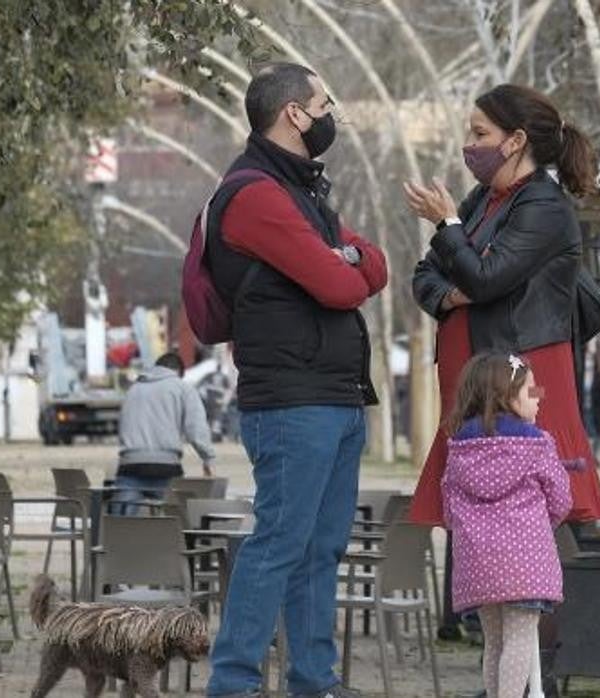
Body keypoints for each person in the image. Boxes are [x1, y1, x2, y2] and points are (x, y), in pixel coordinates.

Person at [404, 85, 600, 673]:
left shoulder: (541, 205)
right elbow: (428, 275)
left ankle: (530, 671)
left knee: (523, 530)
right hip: (475, 379)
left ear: (516, 141)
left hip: (518, 378)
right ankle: (512, 675)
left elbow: (487, 277)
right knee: (488, 530)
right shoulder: (483, 200)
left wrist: (448, 227)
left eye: (480, 134)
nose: (470, 145)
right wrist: (451, 291)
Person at [203, 62, 387, 698]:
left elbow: (376, 264)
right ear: (294, 115)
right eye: (325, 101)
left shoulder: (306, 192)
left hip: (335, 395)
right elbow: (340, 285)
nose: (331, 112)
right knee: (279, 543)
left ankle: (315, 681)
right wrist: (346, 262)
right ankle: (233, 683)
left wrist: (352, 257)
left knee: (321, 549)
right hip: (291, 401)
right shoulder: (255, 195)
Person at [443, 353, 572, 698]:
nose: (539, 397)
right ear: (507, 397)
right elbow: (561, 499)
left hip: (478, 564)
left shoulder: (458, 449)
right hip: (526, 562)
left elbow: (449, 510)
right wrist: (541, 525)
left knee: (495, 642)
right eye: (532, 390)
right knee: (519, 639)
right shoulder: (537, 445)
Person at [114, 352, 215, 513]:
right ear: (179, 372)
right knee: (174, 522)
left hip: (130, 465)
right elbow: (196, 429)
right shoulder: (182, 388)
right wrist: (208, 458)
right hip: (166, 466)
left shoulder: (133, 389)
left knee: (123, 524)